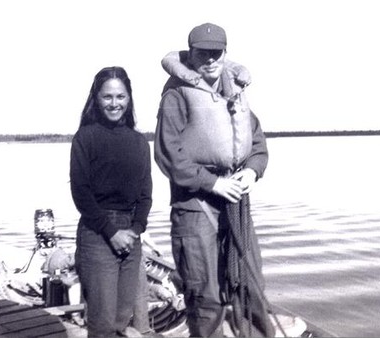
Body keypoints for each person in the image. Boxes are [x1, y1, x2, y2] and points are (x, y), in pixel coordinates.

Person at [154, 23, 274, 337]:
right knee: (205, 296)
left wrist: (251, 171)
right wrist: (213, 183)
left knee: (250, 287)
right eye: (202, 53)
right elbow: (168, 154)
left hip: (236, 206)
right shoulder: (176, 94)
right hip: (195, 208)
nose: (209, 60)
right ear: (190, 55)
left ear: (224, 53)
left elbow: (258, 145)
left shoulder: (235, 90)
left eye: (215, 52)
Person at [70, 66, 152, 337]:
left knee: (121, 317)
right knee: (103, 323)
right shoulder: (86, 137)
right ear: (96, 98)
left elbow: (145, 194)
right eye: (107, 97)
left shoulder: (139, 142)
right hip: (98, 233)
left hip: (131, 233)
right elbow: (81, 193)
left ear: (129, 99)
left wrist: (136, 229)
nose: (114, 103)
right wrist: (111, 232)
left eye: (120, 96)